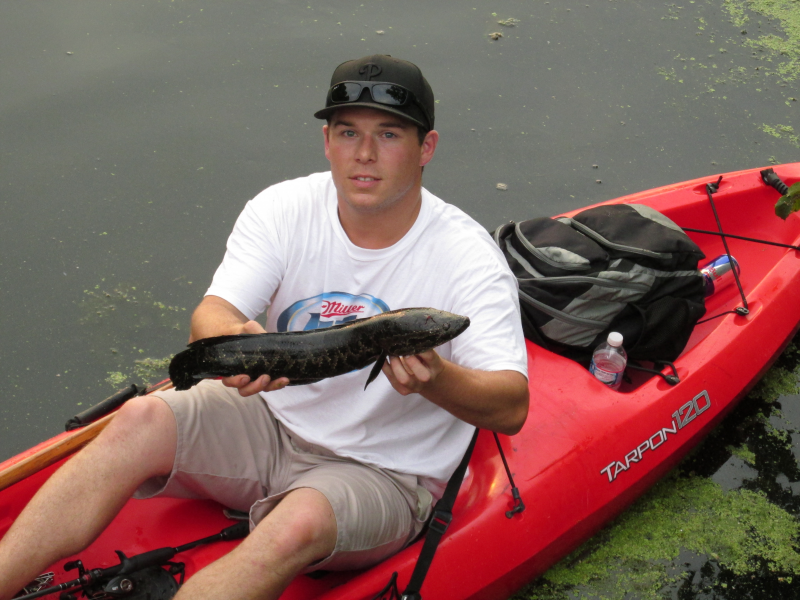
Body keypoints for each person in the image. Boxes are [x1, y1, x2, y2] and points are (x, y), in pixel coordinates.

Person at [0, 54, 529, 600]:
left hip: (383, 469)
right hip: (268, 419)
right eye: (348, 132)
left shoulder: (469, 258)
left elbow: (511, 407)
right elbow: (212, 316)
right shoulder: (282, 209)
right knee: (137, 419)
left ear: (427, 148)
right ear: (327, 141)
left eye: (389, 134)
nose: (364, 154)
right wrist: (232, 341)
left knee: (295, 523)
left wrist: (435, 379)